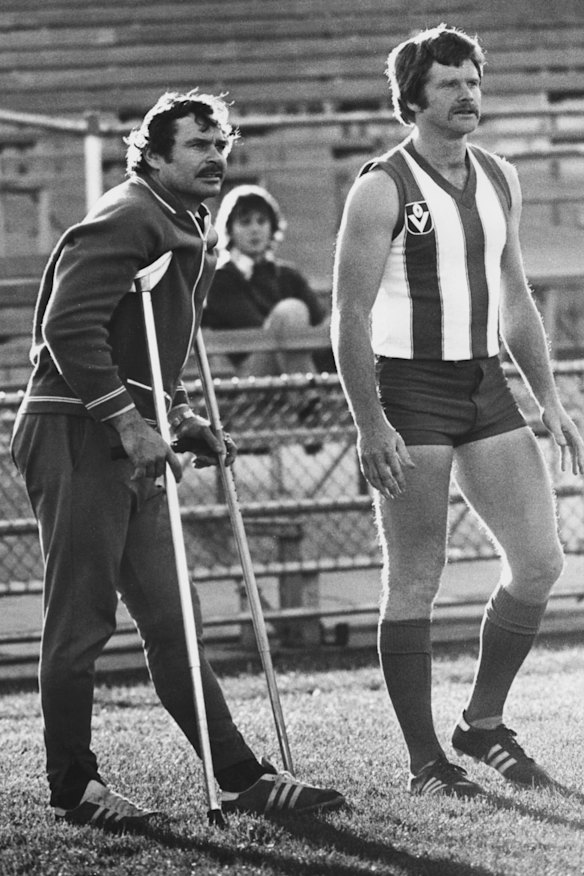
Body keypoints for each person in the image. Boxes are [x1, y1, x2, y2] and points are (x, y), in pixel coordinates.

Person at [10, 90, 345, 829]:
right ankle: (73, 785)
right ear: (154, 154)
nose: (215, 154)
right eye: (197, 143)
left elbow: (148, 349)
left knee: (176, 623)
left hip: (127, 432)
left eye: (221, 141)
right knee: (81, 622)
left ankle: (240, 777)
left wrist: (182, 416)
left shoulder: (182, 224)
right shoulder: (129, 214)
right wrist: (128, 424)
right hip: (76, 431)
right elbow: (69, 329)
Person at [331, 24, 584, 799]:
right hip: (409, 389)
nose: (468, 92)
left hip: (484, 383)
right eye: (449, 82)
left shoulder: (500, 175)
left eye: (474, 77)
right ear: (412, 97)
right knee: (415, 576)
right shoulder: (381, 186)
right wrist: (370, 422)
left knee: (541, 562)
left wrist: (551, 398)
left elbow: (515, 297)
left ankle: (480, 723)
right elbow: (346, 312)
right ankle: (423, 762)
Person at [202, 184, 329, 377]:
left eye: (261, 221)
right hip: (252, 373)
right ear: (230, 229)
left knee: (339, 321)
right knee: (289, 312)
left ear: (272, 227)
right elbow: (261, 333)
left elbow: (318, 321)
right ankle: (306, 399)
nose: (255, 229)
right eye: (245, 222)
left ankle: (308, 397)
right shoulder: (221, 278)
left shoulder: (288, 274)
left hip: (294, 359)